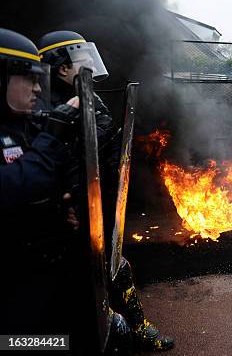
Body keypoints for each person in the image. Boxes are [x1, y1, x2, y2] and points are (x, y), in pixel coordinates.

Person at [39, 30, 174, 352]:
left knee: (114, 265)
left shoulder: (87, 98)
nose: (91, 65)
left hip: (89, 202)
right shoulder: (48, 108)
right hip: (63, 212)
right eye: (83, 60)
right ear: (62, 68)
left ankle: (135, 328)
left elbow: (104, 148)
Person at [0, 28, 92, 349]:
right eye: (29, 79)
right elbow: (14, 186)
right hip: (11, 279)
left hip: (46, 263)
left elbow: (58, 173)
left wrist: (67, 201)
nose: (38, 88)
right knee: (27, 343)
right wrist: (53, 137)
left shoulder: (27, 123)